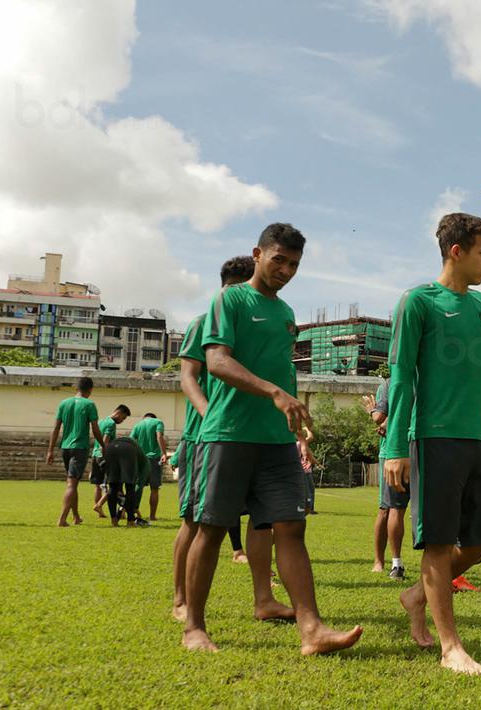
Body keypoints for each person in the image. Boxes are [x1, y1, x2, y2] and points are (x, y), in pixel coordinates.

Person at [181, 222, 363, 655]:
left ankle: (312, 629)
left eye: (294, 264)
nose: (286, 270)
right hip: (228, 434)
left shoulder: (285, 313)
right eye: (279, 259)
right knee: (211, 528)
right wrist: (275, 393)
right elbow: (217, 362)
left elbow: (281, 371)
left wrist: (297, 420)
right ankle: (193, 626)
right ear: (258, 254)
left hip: (276, 440)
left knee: (292, 528)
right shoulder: (230, 298)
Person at [384, 212, 481, 675]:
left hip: (479, 444)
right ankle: (451, 646)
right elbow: (401, 377)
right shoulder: (417, 302)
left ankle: (416, 597)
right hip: (433, 439)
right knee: (438, 541)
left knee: (480, 541)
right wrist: (394, 446)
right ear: (457, 251)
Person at [171, 254, 290, 624]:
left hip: (254, 435)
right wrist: (210, 414)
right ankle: (181, 600)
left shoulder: (269, 316)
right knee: (197, 521)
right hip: (207, 436)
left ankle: (264, 598)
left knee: (262, 521)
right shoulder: (205, 321)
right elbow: (189, 376)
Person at [363, 367, 408, 580]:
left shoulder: (388, 384)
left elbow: (380, 417)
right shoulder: (424, 377)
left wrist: (374, 414)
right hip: (413, 450)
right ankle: (382, 561)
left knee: (389, 509)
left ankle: (386, 563)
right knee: (392, 509)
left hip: (392, 453)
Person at [46, 376, 105, 527]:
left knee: (73, 483)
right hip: (80, 448)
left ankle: (76, 516)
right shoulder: (89, 404)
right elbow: (96, 429)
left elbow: (56, 428)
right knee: (72, 484)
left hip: (65, 447)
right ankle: (62, 519)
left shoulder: (64, 403)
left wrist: (50, 450)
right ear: (90, 390)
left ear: (76, 388)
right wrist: (104, 446)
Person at [90, 405, 130, 517]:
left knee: (98, 485)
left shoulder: (102, 421)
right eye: (123, 418)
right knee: (114, 484)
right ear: (119, 413)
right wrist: (107, 456)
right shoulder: (111, 424)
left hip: (95, 455)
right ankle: (100, 506)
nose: (122, 421)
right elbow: (106, 440)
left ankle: (100, 511)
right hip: (104, 456)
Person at [129, 413, 168, 521]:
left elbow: (131, 440)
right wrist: (164, 453)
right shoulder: (158, 422)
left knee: (137, 486)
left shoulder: (138, 425)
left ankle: (125, 511)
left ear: (144, 418)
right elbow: (159, 436)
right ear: (153, 417)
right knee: (154, 489)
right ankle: (152, 516)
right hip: (154, 459)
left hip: (140, 459)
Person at [103, 435, 147, 526]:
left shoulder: (116, 442)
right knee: (130, 487)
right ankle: (130, 520)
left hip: (110, 449)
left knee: (113, 486)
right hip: (128, 451)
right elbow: (143, 465)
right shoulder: (137, 447)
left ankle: (114, 520)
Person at [298, 427, 318, 515]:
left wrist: (317, 463)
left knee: (310, 491)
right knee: (308, 492)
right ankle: (308, 508)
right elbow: (311, 437)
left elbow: (311, 457)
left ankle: (310, 508)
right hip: (303, 471)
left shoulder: (303, 445)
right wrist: (307, 428)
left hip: (307, 471)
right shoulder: (299, 444)